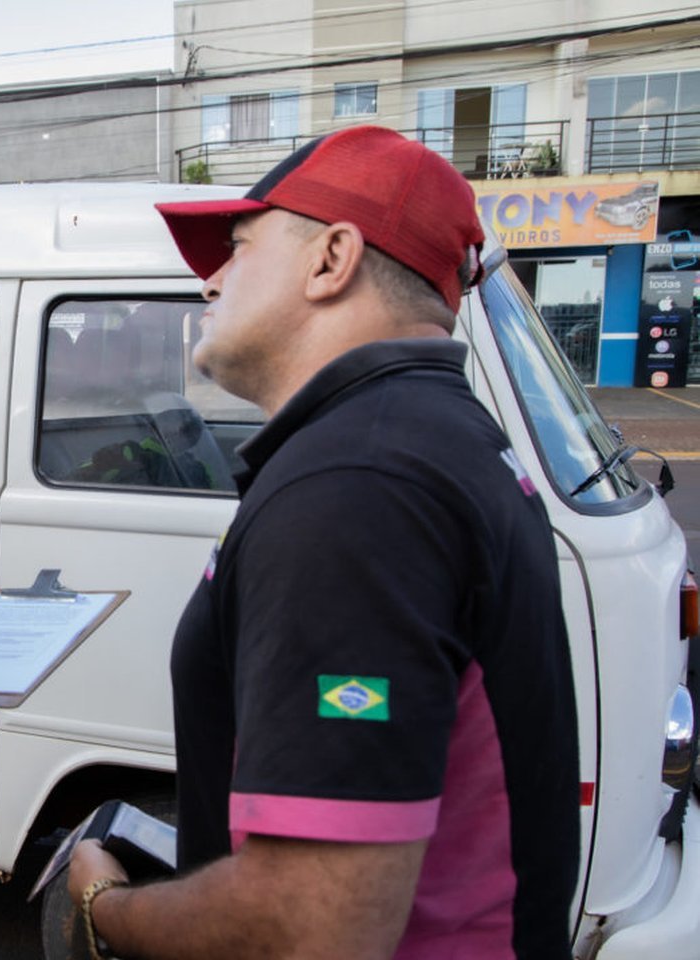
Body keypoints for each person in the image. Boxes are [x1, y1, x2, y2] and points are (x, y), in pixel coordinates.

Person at [67, 125, 578, 958]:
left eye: (235, 247)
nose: (210, 281)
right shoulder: (435, 436)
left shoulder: (358, 483)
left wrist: (103, 909)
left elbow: (311, 926)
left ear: (331, 259)